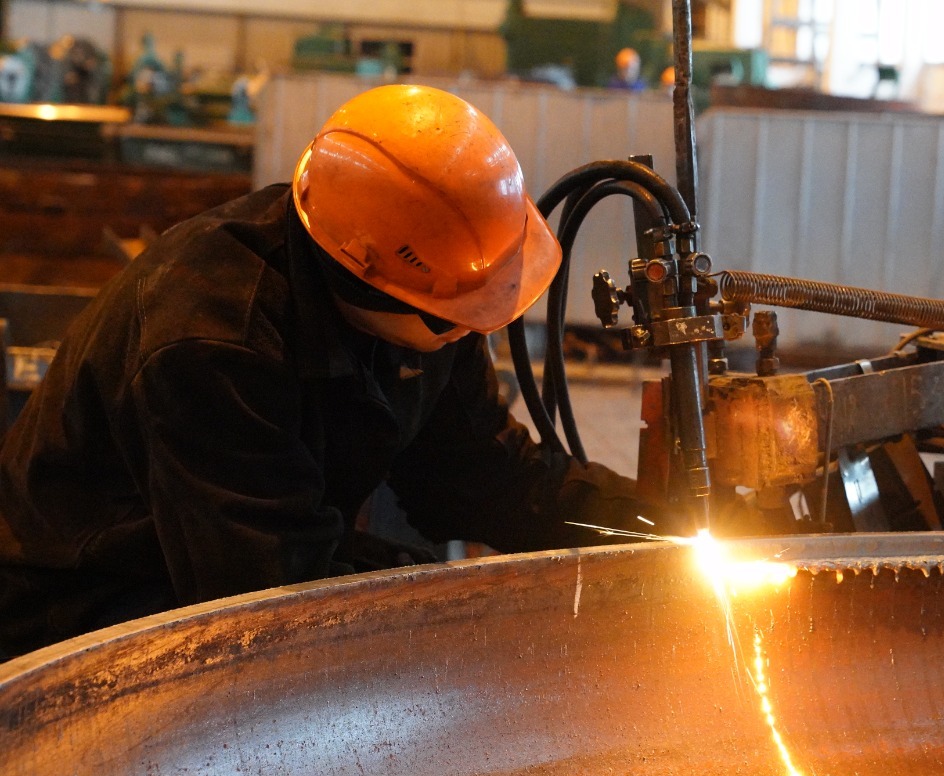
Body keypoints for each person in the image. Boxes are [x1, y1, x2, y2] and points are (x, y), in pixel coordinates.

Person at [0, 84, 654, 660]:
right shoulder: (212, 341)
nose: (474, 325)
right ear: (366, 277)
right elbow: (265, 603)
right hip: (86, 615)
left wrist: (659, 527)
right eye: (454, 314)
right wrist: (468, 612)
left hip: (244, 575)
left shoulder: (435, 298)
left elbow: (484, 478)